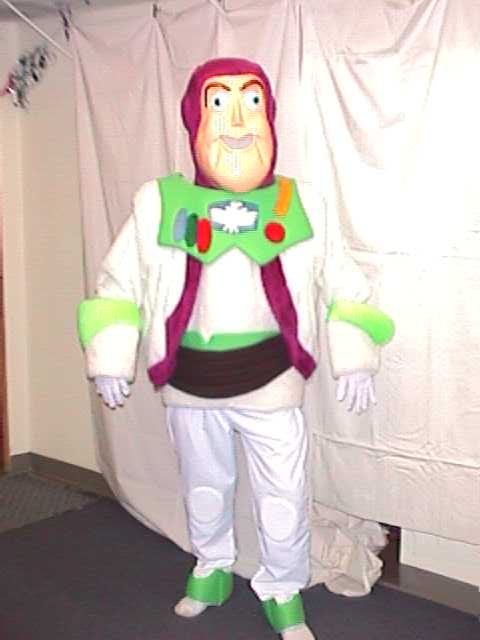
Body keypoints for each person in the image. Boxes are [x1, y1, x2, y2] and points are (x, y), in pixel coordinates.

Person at [77, 57, 394, 640]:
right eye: (219, 104)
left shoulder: (302, 202)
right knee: (203, 485)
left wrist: (354, 352)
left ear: (269, 115)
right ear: (195, 117)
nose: (238, 122)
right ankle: (212, 566)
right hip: (190, 380)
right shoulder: (158, 202)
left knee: (283, 495)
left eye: (251, 102)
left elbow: (343, 282)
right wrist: (111, 355)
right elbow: (119, 284)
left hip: (272, 377)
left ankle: (282, 587)